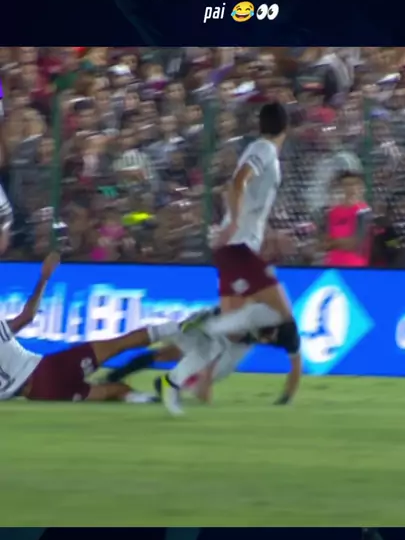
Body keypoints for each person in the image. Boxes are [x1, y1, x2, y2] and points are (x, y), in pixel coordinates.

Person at [162, 101, 302, 413]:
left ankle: (194, 378)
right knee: (282, 316)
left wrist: (260, 233)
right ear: (287, 127)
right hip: (237, 247)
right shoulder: (265, 149)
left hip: (236, 249)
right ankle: (203, 326)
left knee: (235, 330)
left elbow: (242, 191)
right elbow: (238, 181)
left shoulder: (262, 149)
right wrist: (235, 222)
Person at [0, 252, 172, 403]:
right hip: (48, 371)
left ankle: (148, 401)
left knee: (116, 390)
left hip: (40, 394)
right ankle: (174, 328)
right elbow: (27, 317)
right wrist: (44, 278)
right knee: (120, 344)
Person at [106, 311, 303, 413]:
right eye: (263, 336)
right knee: (170, 353)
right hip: (214, 324)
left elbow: (296, 366)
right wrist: (205, 389)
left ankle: (171, 384)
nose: (265, 342)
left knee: (221, 370)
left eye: (267, 339)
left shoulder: (289, 336)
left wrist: (286, 398)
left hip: (240, 340)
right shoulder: (245, 319)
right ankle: (117, 374)